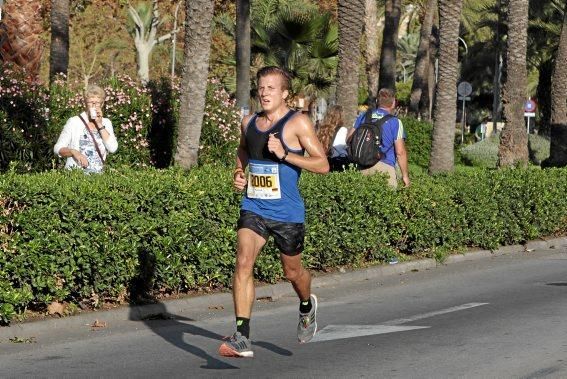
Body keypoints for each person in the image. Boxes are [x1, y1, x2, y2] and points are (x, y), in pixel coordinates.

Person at [218, 66, 329, 358]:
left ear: (284, 94)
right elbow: (243, 150)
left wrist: (286, 154)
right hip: (254, 205)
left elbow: (323, 165)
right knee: (243, 261)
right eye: (261, 87)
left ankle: (306, 305)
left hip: (287, 212)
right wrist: (239, 172)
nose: (264, 93)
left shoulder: (298, 123)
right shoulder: (248, 122)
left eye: (271, 88)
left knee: (292, 272)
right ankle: (242, 335)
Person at [348, 88, 410, 188]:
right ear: (393, 103)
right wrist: (405, 176)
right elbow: (400, 152)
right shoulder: (395, 122)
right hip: (384, 168)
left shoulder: (363, 115)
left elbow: (349, 139)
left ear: (377, 101)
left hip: (361, 166)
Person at [54, 84, 118, 174]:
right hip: (76, 175)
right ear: (85, 103)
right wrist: (73, 152)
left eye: (97, 103)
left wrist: (100, 124)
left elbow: (113, 148)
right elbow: (57, 148)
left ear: (102, 104)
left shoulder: (106, 123)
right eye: (91, 102)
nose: (94, 105)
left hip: (98, 177)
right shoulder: (74, 122)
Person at [316, 105, 350, 171]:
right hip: (336, 163)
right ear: (341, 116)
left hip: (323, 161)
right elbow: (339, 147)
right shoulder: (342, 129)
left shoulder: (322, 129)